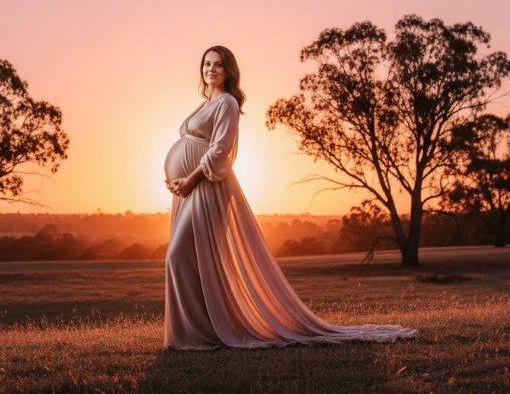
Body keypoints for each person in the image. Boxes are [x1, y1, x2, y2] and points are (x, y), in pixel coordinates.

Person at [163, 45, 419, 350]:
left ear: (228, 70)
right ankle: (198, 332)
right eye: (207, 64)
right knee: (193, 260)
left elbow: (220, 152)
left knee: (177, 256)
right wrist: (177, 179)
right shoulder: (206, 103)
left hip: (207, 189)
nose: (211, 69)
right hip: (189, 191)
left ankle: (200, 335)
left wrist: (190, 179)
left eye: (218, 64)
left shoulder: (227, 103)